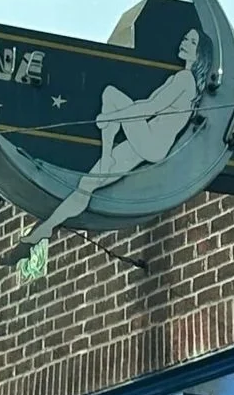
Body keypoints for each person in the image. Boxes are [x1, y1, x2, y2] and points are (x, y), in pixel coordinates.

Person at [25, 26, 208, 243]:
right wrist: (118, 115)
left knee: (111, 93)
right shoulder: (183, 80)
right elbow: (144, 105)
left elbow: (151, 107)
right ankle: (47, 227)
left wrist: (113, 117)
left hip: (152, 142)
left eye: (192, 41)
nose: (184, 41)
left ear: (200, 55)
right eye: (186, 37)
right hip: (145, 143)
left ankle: (106, 155)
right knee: (87, 183)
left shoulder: (185, 79)